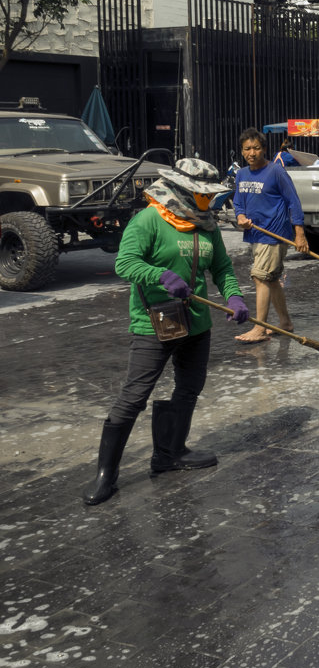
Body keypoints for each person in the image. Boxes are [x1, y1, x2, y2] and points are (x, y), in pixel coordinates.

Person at [82, 159, 249, 506]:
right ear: (180, 190)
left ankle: (170, 453)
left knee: (189, 389)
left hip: (198, 323)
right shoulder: (148, 221)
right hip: (154, 323)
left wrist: (233, 294)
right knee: (134, 397)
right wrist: (160, 276)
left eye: (209, 196)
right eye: (201, 195)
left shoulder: (207, 226)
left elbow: (221, 267)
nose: (207, 202)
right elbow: (125, 263)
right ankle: (105, 474)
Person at [232, 127, 309, 343]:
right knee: (272, 280)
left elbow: (293, 202)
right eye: (247, 149)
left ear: (264, 149)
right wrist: (240, 217)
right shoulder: (241, 174)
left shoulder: (276, 171)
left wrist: (299, 233)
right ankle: (285, 323)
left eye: (256, 148)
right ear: (242, 151)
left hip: (274, 234)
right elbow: (238, 203)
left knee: (260, 277)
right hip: (255, 234)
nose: (252, 153)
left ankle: (259, 328)